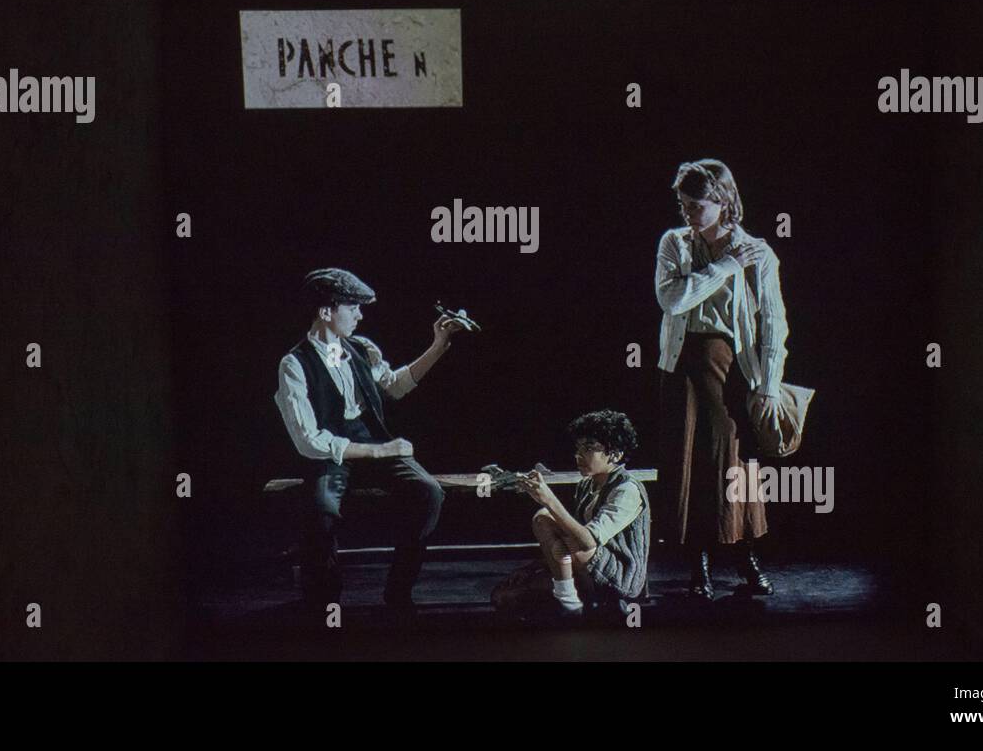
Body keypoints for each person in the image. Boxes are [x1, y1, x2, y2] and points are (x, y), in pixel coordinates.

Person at [273, 267, 464, 609]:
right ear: (326, 311)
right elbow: (308, 441)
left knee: (428, 492)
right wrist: (381, 452)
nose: (360, 316)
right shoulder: (294, 364)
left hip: (368, 440)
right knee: (321, 512)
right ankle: (324, 603)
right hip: (329, 453)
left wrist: (438, 345)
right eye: (353, 307)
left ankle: (399, 592)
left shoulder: (361, 348)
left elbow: (394, 385)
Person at [654, 158, 790, 599]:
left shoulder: (758, 252)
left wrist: (769, 383)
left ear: (723, 201)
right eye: (683, 204)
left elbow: (773, 322)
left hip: (732, 368)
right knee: (690, 462)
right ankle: (700, 566)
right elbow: (672, 300)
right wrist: (723, 267)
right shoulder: (675, 244)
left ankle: (746, 556)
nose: (688, 213)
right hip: (685, 369)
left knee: (738, 465)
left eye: (696, 205)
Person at [491, 410, 650, 619]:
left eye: (589, 448)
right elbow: (566, 540)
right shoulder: (587, 485)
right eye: (578, 448)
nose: (579, 455)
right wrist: (532, 568)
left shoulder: (627, 490)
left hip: (619, 578)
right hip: (585, 568)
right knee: (504, 596)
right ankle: (578, 600)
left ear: (616, 454)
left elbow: (586, 542)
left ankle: (570, 603)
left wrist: (548, 499)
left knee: (544, 516)